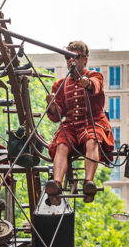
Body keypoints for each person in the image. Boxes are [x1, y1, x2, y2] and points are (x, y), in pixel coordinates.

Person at [44, 40, 114, 203]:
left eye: (75, 57)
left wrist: (87, 83)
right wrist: (52, 105)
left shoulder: (95, 76)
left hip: (93, 122)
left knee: (92, 140)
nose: (71, 61)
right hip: (70, 126)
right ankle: (56, 183)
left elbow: (96, 85)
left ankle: (88, 182)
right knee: (61, 144)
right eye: (68, 57)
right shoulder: (60, 85)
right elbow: (56, 116)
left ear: (85, 59)